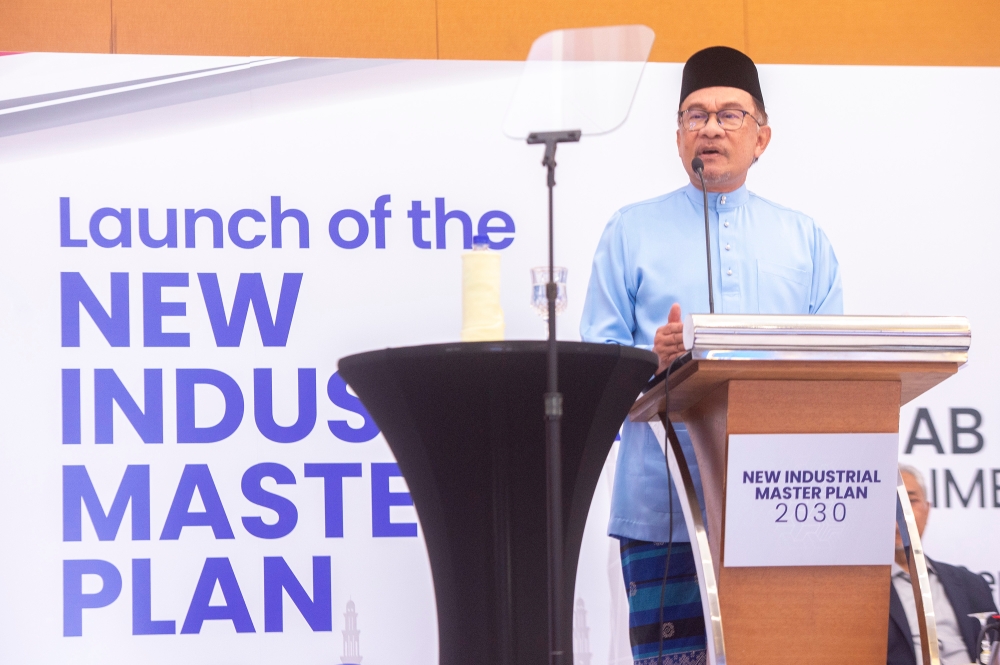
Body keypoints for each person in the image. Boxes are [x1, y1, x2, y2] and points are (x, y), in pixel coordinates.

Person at [580, 45, 842, 664]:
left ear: (763, 137)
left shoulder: (804, 240)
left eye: (730, 114)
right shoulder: (630, 230)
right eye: (695, 115)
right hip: (662, 508)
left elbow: (831, 372)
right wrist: (652, 355)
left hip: (786, 503)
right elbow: (596, 357)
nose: (712, 128)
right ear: (677, 136)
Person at [889, 465, 998, 665]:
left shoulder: (972, 585)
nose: (900, 512)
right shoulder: (860, 594)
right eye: (889, 501)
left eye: (910, 500)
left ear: (927, 510)